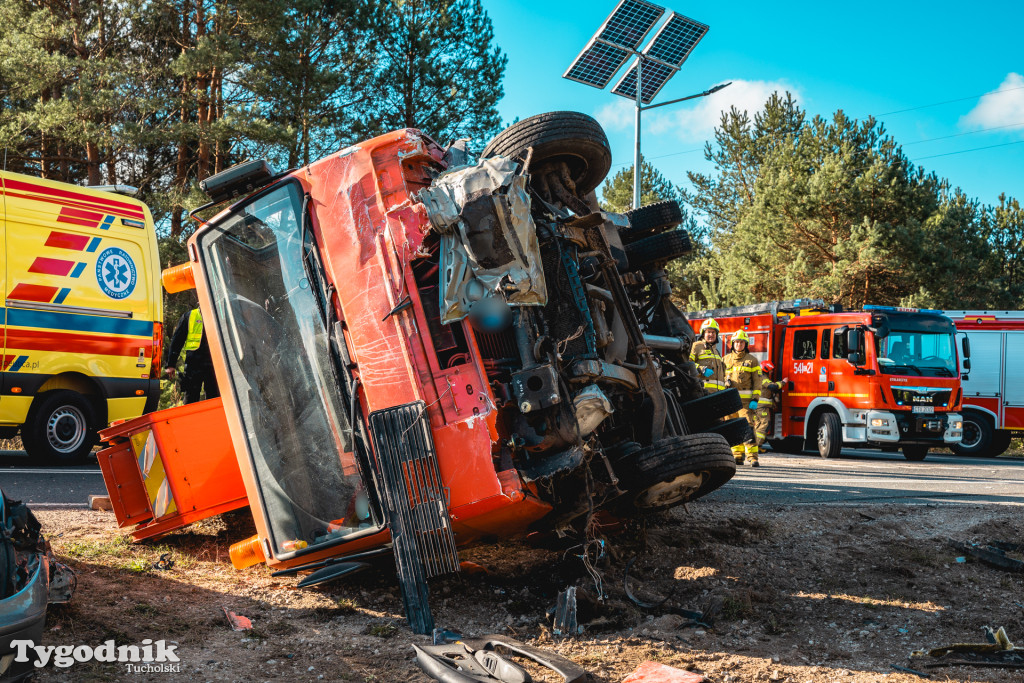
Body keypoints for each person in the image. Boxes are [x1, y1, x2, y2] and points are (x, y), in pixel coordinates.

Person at [166, 304, 219, 404]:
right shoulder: (190, 316)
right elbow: (177, 340)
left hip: (214, 363)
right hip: (194, 364)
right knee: (191, 397)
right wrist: (171, 364)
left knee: (214, 398)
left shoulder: (219, 315)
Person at [725, 329, 762, 467]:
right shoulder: (725, 359)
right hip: (729, 402)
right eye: (736, 342)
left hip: (746, 403)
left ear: (745, 344)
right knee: (733, 428)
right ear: (732, 344)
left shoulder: (752, 360)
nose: (738, 344)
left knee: (748, 428)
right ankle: (737, 455)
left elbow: (758, 381)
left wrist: (755, 398)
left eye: (741, 342)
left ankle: (752, 457)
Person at [690, 318, 727, 393]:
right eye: (708, 332)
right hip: (703, 392)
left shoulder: (716, 351)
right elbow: (688, 363)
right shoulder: (696, 346)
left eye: (713, 332)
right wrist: (701, 369)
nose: (711, 334)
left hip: (719, 393)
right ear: (703, 333)